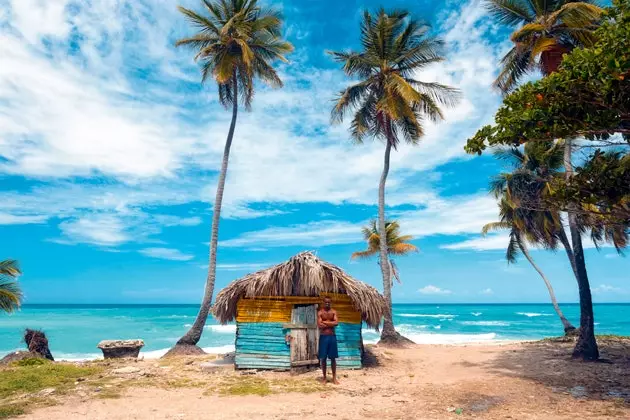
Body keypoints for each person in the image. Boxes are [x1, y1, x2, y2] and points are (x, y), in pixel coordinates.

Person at [317, 296, 339, 384]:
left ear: (330, 302)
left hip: (332, 336)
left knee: (333, 358)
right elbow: (319, 325)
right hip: (323, 337)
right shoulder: (320, 312)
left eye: (329, 302)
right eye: (326, 302)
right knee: (323, 358)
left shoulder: (334, 312)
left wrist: (325, 322)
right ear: (323, 302)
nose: (327, 303)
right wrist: (331, 323)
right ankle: (324, 378)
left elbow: (336, 323)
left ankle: (334, 378)